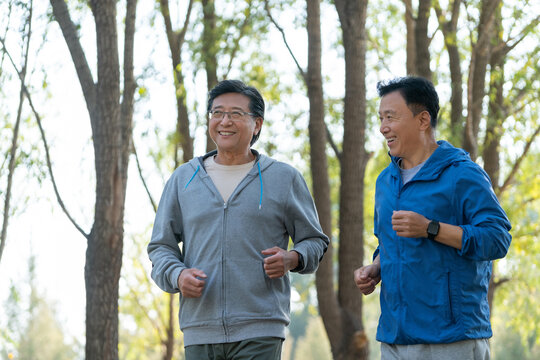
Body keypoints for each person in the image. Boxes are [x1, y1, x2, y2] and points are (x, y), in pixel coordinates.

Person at [148, 79, 328, 360]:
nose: (224, 121)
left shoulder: (283, 178)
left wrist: (292, 258)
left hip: (261, 330)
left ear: (257, 124)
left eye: (235, 114)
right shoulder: (184, 179)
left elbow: (315, 241)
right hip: (199, 328)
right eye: (217, 113)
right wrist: (177, 274)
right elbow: (160, 247)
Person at [354, 76, 512, 360]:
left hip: (451, 339)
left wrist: (431, 228)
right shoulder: (385, 182)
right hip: (394, 337)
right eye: (380, 118)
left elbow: (497, 238)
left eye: (390, 117)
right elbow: (390, 244)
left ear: (422, 119)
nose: (383, 127)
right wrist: (376, 268)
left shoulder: (462, 173)